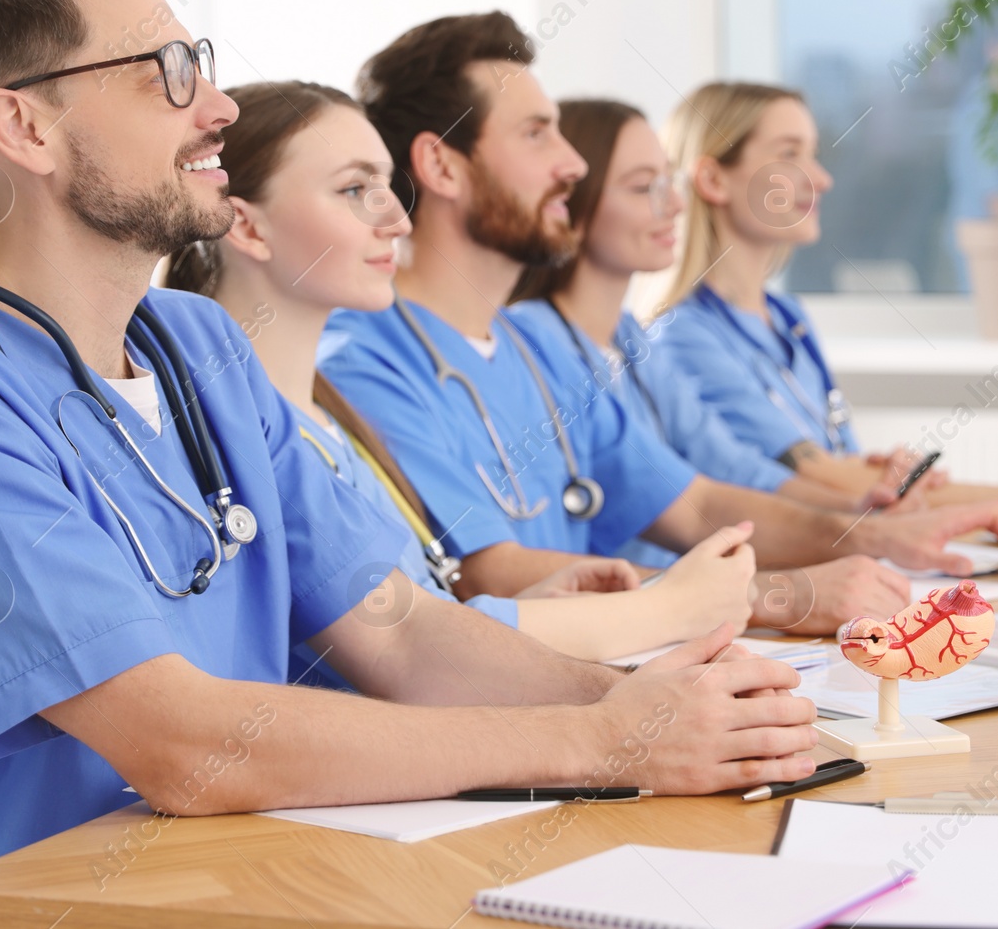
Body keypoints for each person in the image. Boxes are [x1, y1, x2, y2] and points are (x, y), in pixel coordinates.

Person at [0, 0, 821, 929]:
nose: (220, 107)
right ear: (24, 128)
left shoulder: (200, 348)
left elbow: (402, 631)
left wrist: (642, 706)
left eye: (202, 63)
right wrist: (603, 743)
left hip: (228, 882)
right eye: (167, 74)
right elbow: (186, 744)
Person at [319, 12, 998, 635]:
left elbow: (695, 504)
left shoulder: (539, 344)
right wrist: (782, 593)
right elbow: (491, 573)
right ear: (441, 164)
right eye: (537, 135)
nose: (572, 166)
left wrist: (873, 535)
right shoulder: (364, 365)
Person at [163, 80, 758, 663]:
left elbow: (419, 614)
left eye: (387, 185)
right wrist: (673, 605)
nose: (397, 219)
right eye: (354, 188)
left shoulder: (329, 426)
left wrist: (535, 603)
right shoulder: (237, 436)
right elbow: (405, 650)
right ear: (246, 227)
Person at [507, 99, 933, 570]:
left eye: (667, 182)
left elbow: (728, 464)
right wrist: (851, 529)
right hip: (627, 608)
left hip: (672, 594)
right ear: (569, 205)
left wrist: (855, 514)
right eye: (643, 187)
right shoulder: (538, 343)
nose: (673, 203)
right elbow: (692, 503)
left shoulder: (629, 338)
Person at [655, 81, 998, 520]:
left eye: (814, 154)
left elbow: (849, 470)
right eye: (789, 155)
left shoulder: (788, 318)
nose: (822, 179)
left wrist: (891, 473)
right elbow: (825, 479)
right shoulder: (681, 338)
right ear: (713, 179)